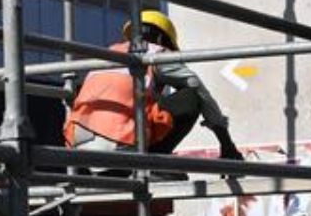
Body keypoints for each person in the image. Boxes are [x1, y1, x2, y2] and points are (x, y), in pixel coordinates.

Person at [64, 10, 244, 159]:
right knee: (191, 97)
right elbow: (197, 88)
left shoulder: (106, 55)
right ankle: (157, 165)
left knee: (145, 104)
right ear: (159, 38)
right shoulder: (156, 52)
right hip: (122, 146)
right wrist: (226, 144)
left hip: (77, 146)